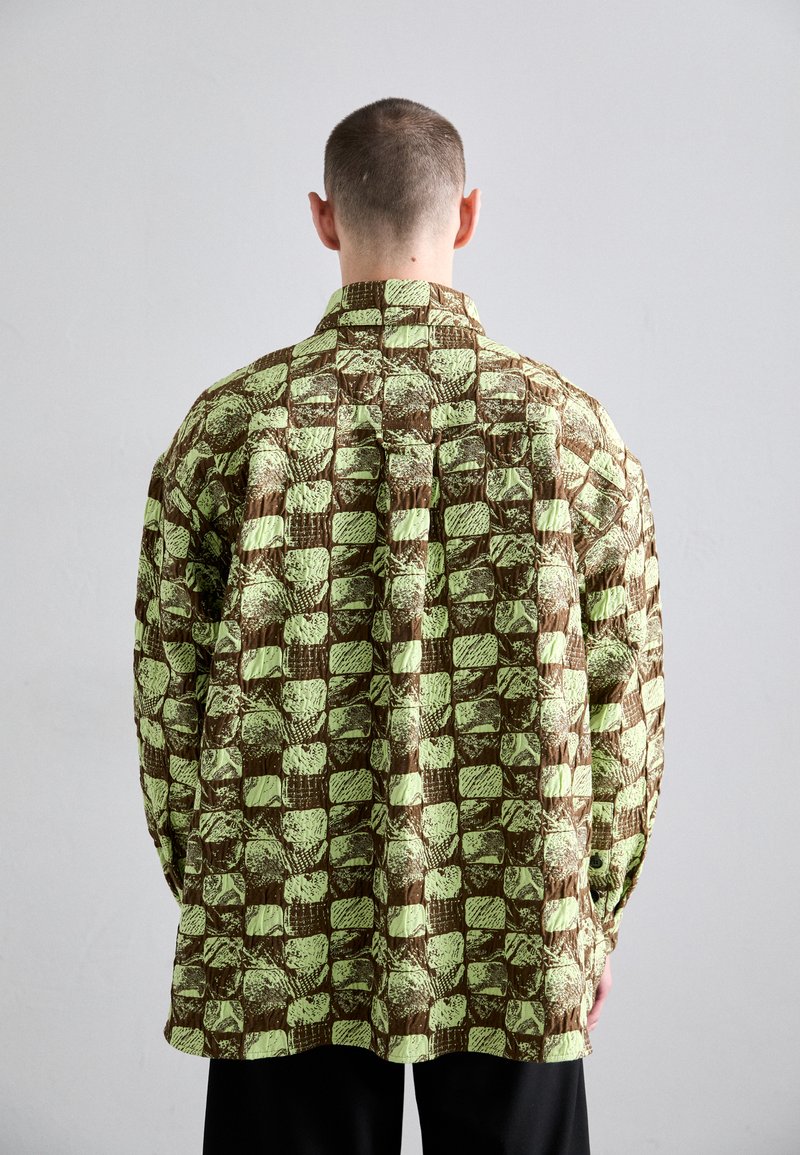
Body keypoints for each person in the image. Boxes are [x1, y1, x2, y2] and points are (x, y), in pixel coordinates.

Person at [133, 96, 665, 1155]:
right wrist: (590, 908)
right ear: (466, 214)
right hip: (519, 909)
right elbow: (626, 702)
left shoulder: (232, 427)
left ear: (322, 217)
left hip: (280, 907)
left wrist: (219, 891)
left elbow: (168, 696)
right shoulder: (569, 431)